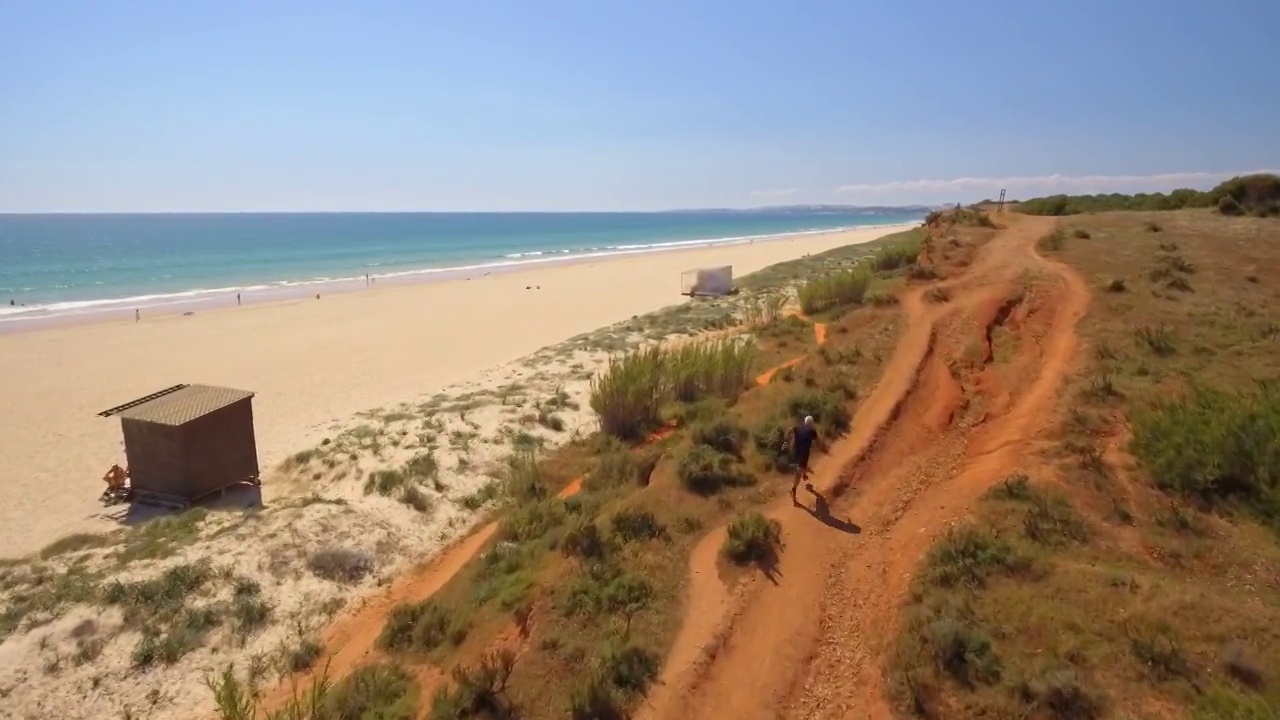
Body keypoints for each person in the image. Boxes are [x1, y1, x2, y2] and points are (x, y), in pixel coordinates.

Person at [784, 415, 817, 505]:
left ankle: (804, 474)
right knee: (798, 473)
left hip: (795, 452)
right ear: (812, 423)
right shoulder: (812, 431)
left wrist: (786, 440)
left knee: (802, 467)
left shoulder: (798, 427)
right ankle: (793, 490)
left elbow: (790, 430)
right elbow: (815, 439)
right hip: (803, 455)